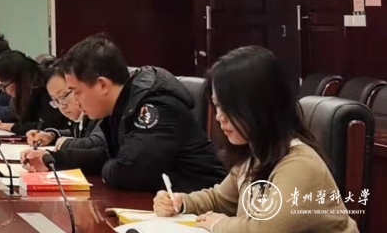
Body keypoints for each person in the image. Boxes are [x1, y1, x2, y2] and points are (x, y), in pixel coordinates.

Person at [153, 46, 357, 232]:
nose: (219, 117)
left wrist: (218, 224)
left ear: (258, 108)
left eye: (228, 108)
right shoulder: (255, 153)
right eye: (217, 106)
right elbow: (220, 200)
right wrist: (181, 202)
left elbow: (265, 229)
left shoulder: (299, 165)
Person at [61, 34, 225, 192]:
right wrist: (55, 159)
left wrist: (107, 168)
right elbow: (107, 154)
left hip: (202, 202)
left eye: (77, 92)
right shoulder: (122, 103)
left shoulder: (155, 105)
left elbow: (129, 172)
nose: (75, 101)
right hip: (164, 201)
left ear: (102, 85)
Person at [22, 58, 104, 172]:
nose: (62, 106)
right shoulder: (81, 118)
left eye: (64, 96)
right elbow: (78, 136)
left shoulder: (102, 112)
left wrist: (62, 142)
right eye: (56, 100)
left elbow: (97, 144)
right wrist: (52, 136)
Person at [0, 50, 68, 136]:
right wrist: (1, 125)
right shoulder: (27, 94)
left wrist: (12, 127)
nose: (4, 91)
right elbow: (26, 120)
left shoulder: (46, 89)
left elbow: (46, 126)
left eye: (4, 85)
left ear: (17, 80)